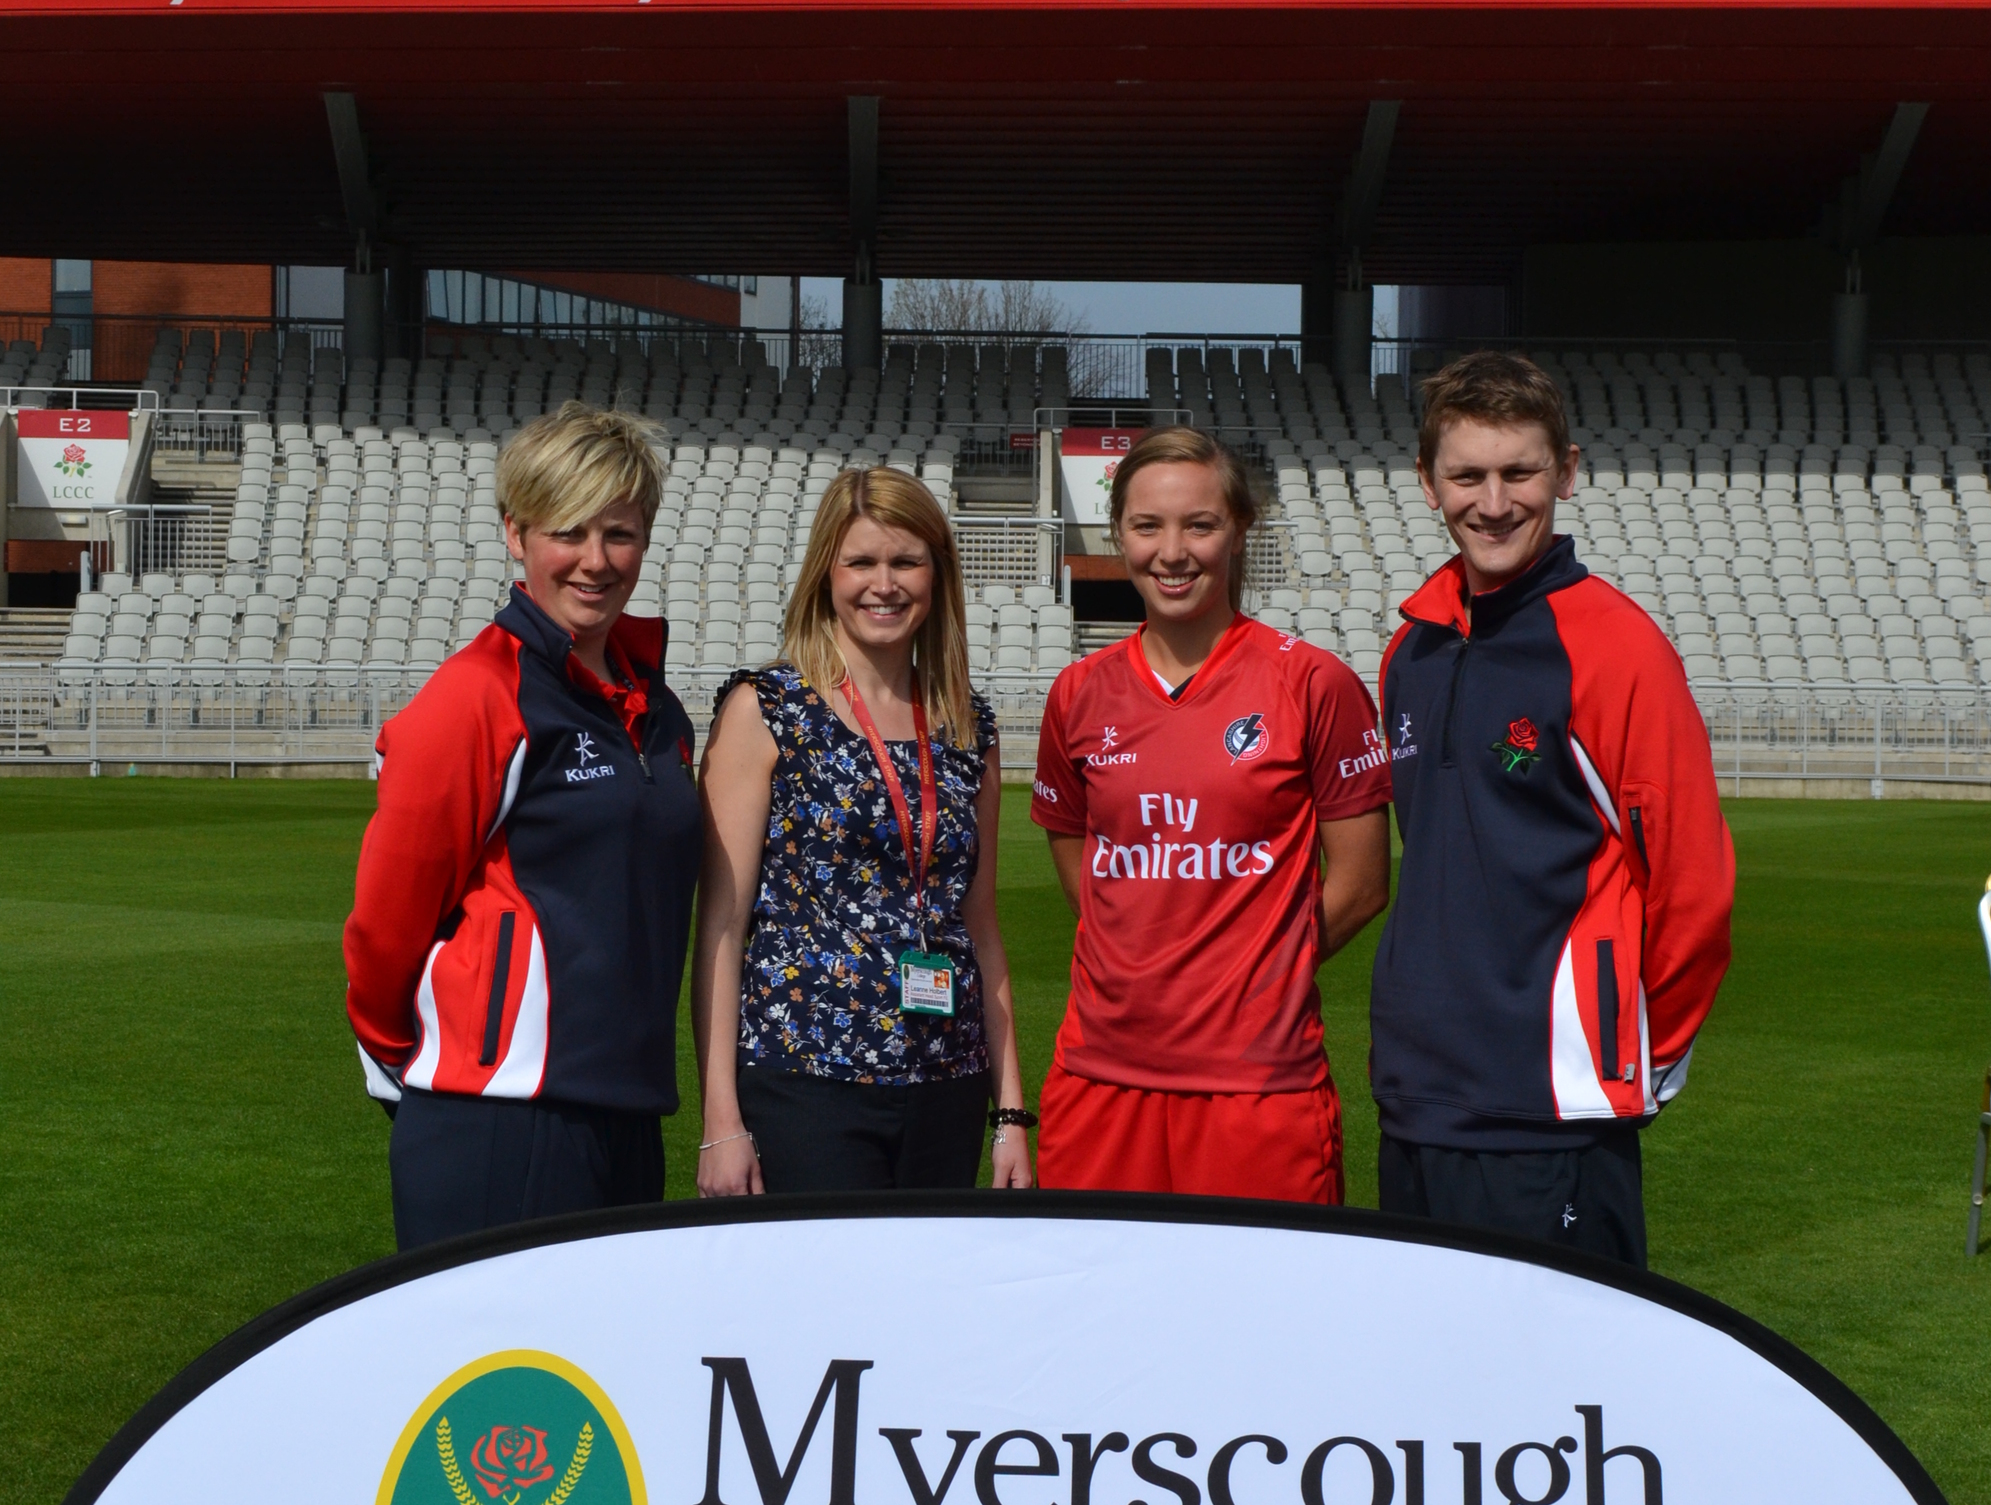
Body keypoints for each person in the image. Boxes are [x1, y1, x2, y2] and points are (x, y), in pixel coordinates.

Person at [1370, 349, 1735, 1267]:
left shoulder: (1617, 649)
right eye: (1467, 475)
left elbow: (1692, 881)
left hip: (1550, 1106)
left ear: (1566, 472)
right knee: (1426, 1394)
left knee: (1555, 1399)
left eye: (1519, 471)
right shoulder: (1407, 652)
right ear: (1427, 483)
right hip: (1415, 1094)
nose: (1493, 502)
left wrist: (1636, 1053)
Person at [343, 402, 699, 1249]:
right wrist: (432, 1060)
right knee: (493, 1381)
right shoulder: (477, 694)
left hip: (628, 1112)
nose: (596, 561)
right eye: (567, 532)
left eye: (619, 534)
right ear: (517, 533)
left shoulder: (657, 708)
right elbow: (384, 925)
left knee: (606, 1381)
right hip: (496, 1117)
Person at [1030, 426, 1391, 1203]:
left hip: (1258, 1088)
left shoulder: (1314, 683)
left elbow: (1362, 882)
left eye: (1199, 524)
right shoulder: (1079, 692)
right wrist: (1140, 960)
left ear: (1238, 529)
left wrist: (1259, 970)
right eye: (1147, 525)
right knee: (1097, 1315)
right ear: (1118, 533)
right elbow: (1073, 846)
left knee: (1260, 1319)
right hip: (1100, 1077)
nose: (1173, 551)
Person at [693, 464, 1032, 1194]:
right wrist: (721, 1118)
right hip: (807, 1076)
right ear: (827, 573)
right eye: (862, 562)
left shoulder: (968, 726)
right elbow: (721, 925)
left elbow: (980, 925)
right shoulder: (767, 709)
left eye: (907, 561)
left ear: (937, 575)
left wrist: (1010, 1114)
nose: (885, 583)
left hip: (947, 1080)